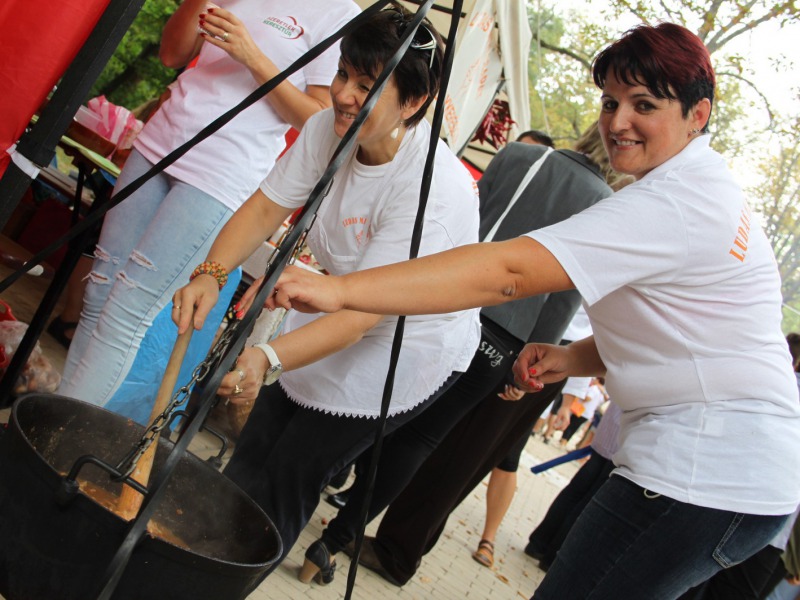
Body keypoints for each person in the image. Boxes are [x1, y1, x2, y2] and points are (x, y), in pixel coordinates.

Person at [267, 22, 800, 598]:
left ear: (699, 114)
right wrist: (572, 356)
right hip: (744, 477)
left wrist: (346, 291)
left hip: (704, 471)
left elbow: (509, 273)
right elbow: (689, 331)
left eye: (643, 105)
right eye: (610, 102)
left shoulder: (678, 201)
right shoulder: (709, 188)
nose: (618, 122)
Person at [172, 6, 480, 582]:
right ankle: (194, 560)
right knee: (256, 445)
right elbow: (266, 206)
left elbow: (364, 315)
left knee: (293, 468)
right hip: (339, 303)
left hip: (404, 342)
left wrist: (268, 356)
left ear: (413, 104)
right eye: (343, 74)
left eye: (367, 86)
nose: (342, 94)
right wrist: (210, 274)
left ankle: (223, 579)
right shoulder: (328, 129)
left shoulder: (434, 190)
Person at [311, 122, 615, 584]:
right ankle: (334, 540)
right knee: (422, 440)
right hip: (504, 336)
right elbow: (563, 295)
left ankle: (304, 485)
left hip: (442, 299)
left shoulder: (517, 155)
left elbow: (462, 225)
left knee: (378, 405)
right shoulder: (605, 206)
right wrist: (529, 369)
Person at [57, 0, 360, 405]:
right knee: (99, 292)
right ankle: (54, 422)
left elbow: (319, 120)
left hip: (221, 172)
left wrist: (252, 55)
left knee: (128, 311)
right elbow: (172, 54)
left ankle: (59, 435)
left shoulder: (338, 14)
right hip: (159, 144)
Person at [525, 401, 622, 572]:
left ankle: (539, 544)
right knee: (586, 502)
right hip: (626, 440)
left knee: (574, 494)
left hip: (612, 432)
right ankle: (552, 555)